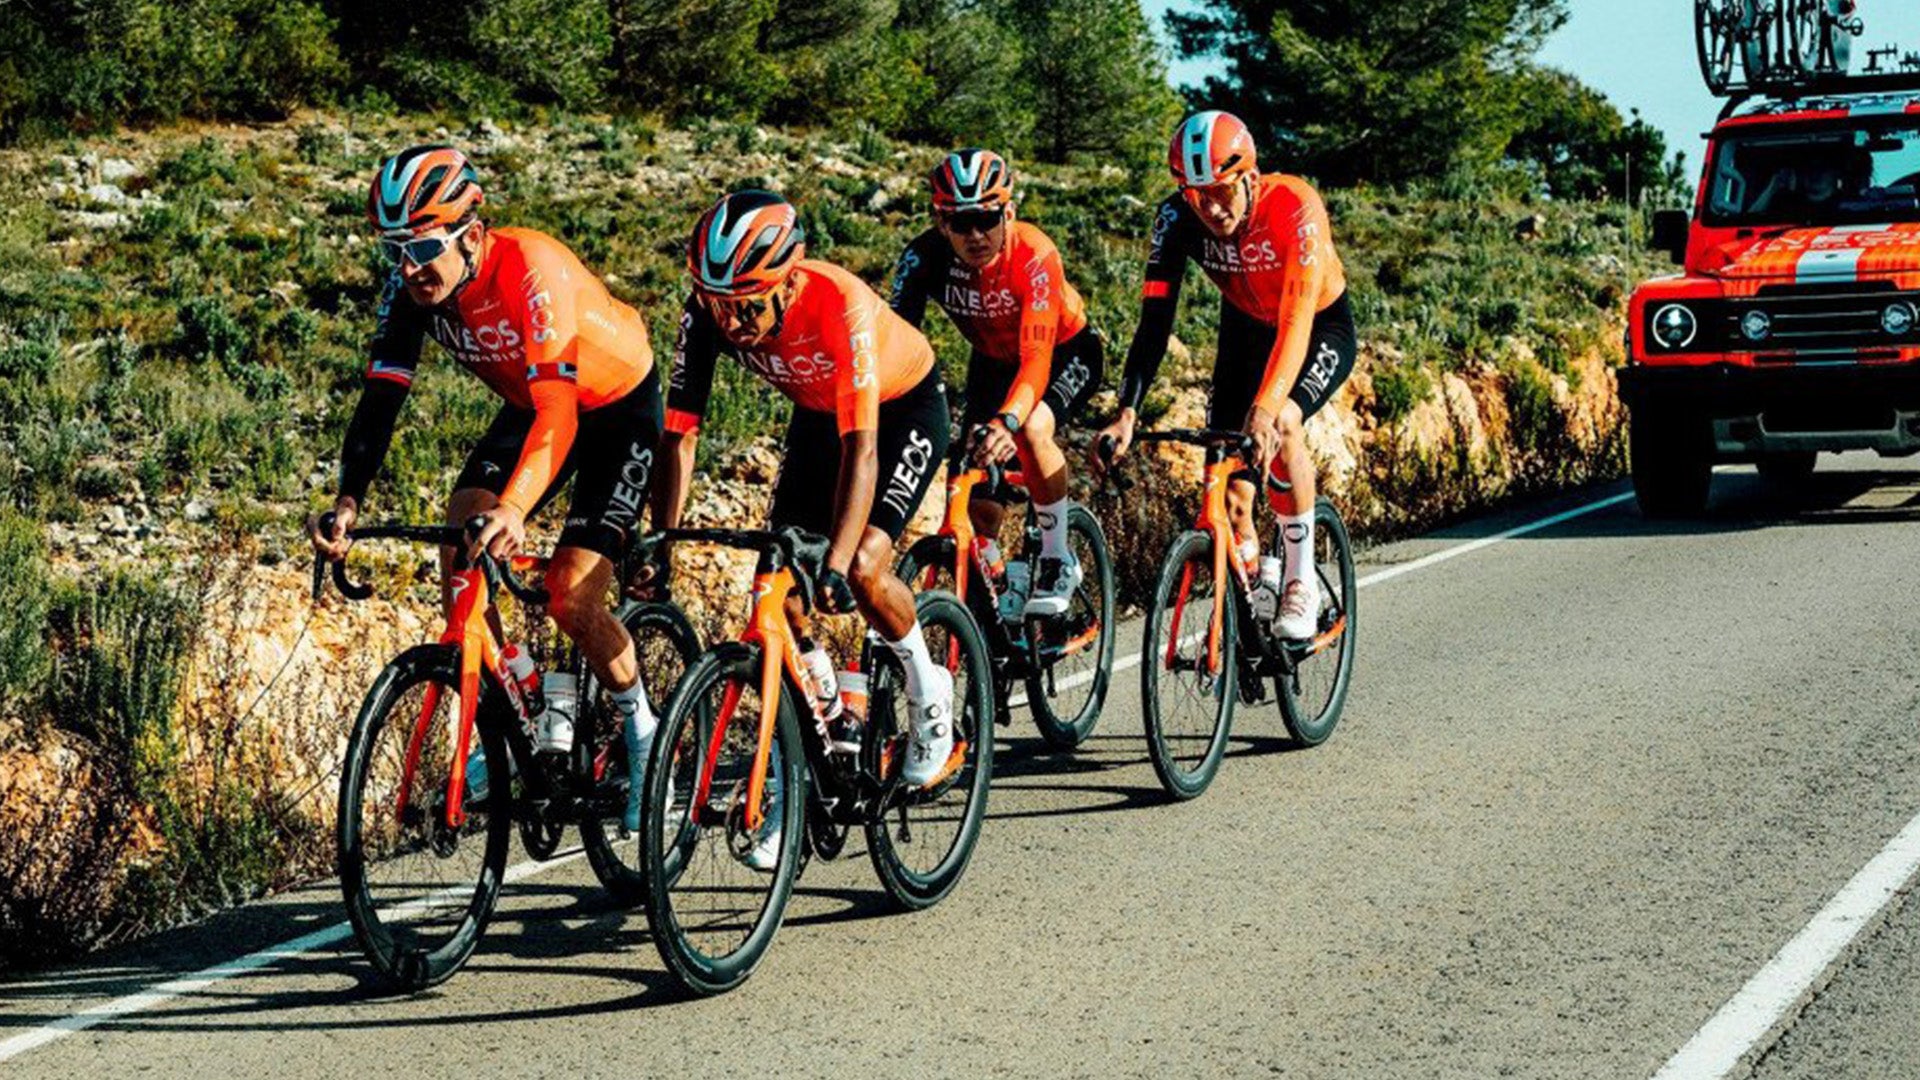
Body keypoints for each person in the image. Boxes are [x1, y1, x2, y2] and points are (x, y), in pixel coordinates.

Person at [308, 144, 664, 829]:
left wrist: (516, 509)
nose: (409, 268)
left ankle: (644, 732)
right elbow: (380, 399)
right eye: (394, 250)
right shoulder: (411, 291)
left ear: (471, 235)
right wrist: (348, 500)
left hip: (613, 406)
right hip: (540, 403)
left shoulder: (532, 269)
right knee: (461, 528)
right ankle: (516, 698)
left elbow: (561, 412)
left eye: (424, 247)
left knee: (568, 591)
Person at [651, 191, 955, 863]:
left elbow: (865, 452)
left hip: (898, 411)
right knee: (778, 590)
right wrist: (660, 540)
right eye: (717, 302)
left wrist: (841, 558)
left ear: (789, 279)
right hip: (818, 418)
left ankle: (928, 686)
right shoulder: (707, 311)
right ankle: (823, 732)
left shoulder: (837, 304)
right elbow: (678, 438)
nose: (731, 321)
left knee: (864, 568)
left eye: (749, 304)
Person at [1094, 111, 1357, 640]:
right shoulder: (1176, 219)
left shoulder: (1295, 207)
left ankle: (1300, 577)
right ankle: (1262, 576)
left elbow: (1296, 320)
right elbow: (1154, 321)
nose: (1210, 208)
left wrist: (1264, 409)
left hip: (1316, 326)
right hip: (1243, 331)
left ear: (1249, 177)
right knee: (1231, 496)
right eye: (1196, 195)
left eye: (1219, 191)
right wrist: (1127, 411)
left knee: (1281, 423)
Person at [888, 148, 1105, 617]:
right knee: (979, 505)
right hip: (991, 362)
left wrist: (1007, 421)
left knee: (1029, 431)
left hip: (1064, 352)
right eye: (959, 222)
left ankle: (1055, 556)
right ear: (940, 221)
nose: (975, 235)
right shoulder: (923, 258)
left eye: (986, 219)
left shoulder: (1034, 254)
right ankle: (1004, 584)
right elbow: (895, 344)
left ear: (1009, 212)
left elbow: (1036, 358)